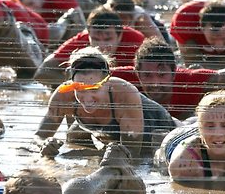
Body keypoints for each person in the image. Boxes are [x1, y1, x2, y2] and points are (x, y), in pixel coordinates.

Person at [33, 47, 176, 159]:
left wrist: (88, 156)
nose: (87, 98)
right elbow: (39, 136)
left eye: (94, 89)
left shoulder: (124, 94)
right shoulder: (63, 96)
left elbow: (131, 155)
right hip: (109, 135)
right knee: (73, 135)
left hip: (162, 130)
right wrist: (45, 145)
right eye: (80, 89)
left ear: (107, 83)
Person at [111, 37, 225, 123]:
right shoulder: (124, 79)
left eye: (162, 75)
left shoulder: (191, 81)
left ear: (174, 73)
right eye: (147, 75)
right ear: (138, 74)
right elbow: (90, 70)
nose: (155, 82)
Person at [35, 6, 146, 88]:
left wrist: (92, 77)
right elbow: (42, 72)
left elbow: (150, 76)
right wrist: (76, 82)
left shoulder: (136, 41)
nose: (101, 46)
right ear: (88, 34)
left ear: (120, 35)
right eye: (96, 39)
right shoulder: (82, 40)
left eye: (108, 40)